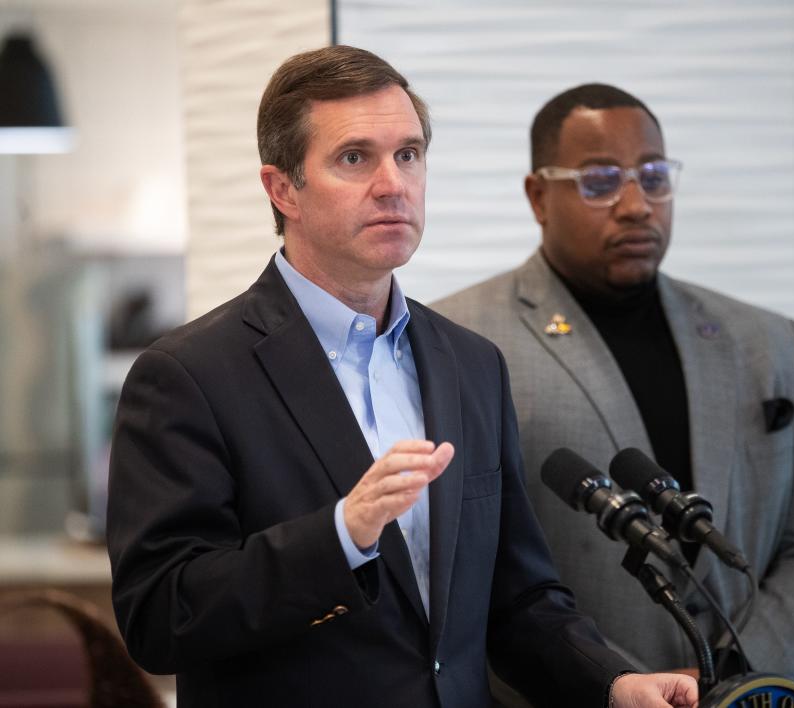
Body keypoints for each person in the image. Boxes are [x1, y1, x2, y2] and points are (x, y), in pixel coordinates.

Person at [106, 50, 698, 708]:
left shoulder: (471, 364)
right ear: (282, 189)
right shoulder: (190, 375)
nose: (394, 184)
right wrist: (340, 535)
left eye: (409, 155)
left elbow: (518, 599)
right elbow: (160, 617)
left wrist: (611, 684)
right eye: (355, 158)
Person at [432, 83, 794, 683]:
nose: (637, 204)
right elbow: (455, 572)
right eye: (600, 180)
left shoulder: (770, 343)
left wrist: (737, 675)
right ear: (538, 196)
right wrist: (612, 688)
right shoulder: (457, 343)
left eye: (654, 176)